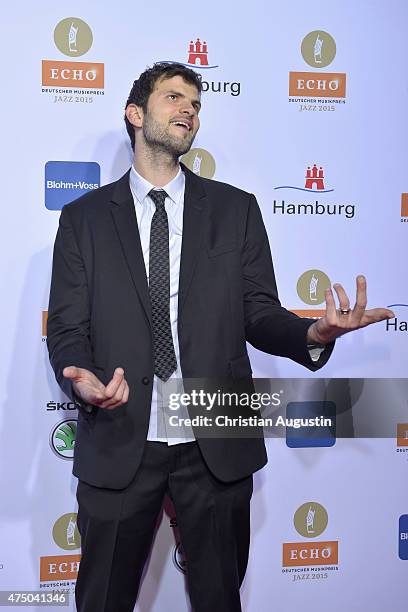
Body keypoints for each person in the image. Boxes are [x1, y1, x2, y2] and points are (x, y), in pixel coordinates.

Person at [46, 62, 394, 612]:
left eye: (197, 104)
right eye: (174, 98)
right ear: (136, 114)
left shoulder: (236, 210)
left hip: (214, 433)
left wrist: (312, 331)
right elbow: (67, 329)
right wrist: (83, 381)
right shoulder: (83, 220)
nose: (189, 109)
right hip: (119, 432)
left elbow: (258, 313)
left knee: (218, 600)